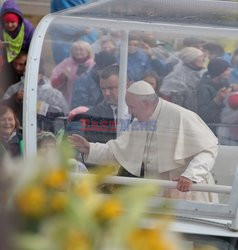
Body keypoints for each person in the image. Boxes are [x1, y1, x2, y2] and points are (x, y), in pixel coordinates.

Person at [69, 81, 218, 202]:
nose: (129, 112)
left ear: (146, 103)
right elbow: (118, 152)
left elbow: (209, 149)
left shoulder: (180, 116)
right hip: (159, 194)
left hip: (190, 192)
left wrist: (191, 175)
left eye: (132, 107)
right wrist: (89, 148)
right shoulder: (140, 122)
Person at [0, 0, 34, 64]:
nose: (10, 25)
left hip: (25, 58)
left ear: (18, 21)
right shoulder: (1, 28)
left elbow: (34, 46)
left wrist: (27, 56)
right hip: (7, 59)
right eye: (7, 22)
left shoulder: (27, 28)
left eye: (13, 22)